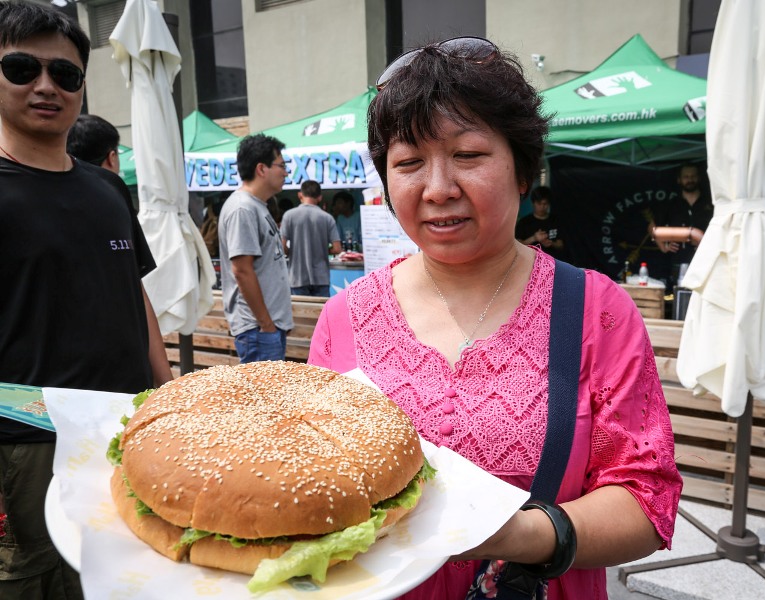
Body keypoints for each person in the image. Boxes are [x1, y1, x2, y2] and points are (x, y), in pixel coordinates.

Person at [308, 37, 681, 599]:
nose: (438, 189)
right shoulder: (345, 317)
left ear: (523, 170)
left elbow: (645, 498)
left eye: (468, 155)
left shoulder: (596, 312)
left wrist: (523, 534)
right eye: (409, 163)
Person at [0, 3, 167, 597]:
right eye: (22, 68)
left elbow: (134, 293)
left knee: (134, 573)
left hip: (127, 429)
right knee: (39, 585)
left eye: (65, 74)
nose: (46, 85)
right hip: (27, 446)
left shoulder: (106, 187)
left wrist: (165, 394)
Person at [67, 113, 173, 384]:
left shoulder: (113, 188)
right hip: (39, 409)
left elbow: (134, 285)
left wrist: (165, 388)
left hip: (130, 389)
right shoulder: (111, 189)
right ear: (113, 157)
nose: (46, 87)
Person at [217, 134, 293, 362]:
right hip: (257, 329)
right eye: (281, 165)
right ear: (262, 169)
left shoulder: (257, 206)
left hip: (267, 327)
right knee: (262, 397)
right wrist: (266, 324)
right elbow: (242, 270)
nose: (286, 172)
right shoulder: (243, 209)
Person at [648, 163, 714, 285]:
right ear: (679, 180)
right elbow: (653, 227)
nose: (690, 180)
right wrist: (663, 246)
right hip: (680, 259)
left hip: (707, 258)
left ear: (699, 178)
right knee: (681, 295)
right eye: (686, 177)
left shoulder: (710, 202)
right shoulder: (672, 203)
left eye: (693, 176)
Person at [280, 180, 342, 297]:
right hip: (321, 278)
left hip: (297, 278)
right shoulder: (327, 218)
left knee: (300, 314)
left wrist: (292, 252)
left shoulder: (289, 216)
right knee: (320, 314)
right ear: (319, 198)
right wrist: (323, 249)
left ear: (300, 195)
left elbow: (281, 247)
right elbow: (337, 249)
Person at [515, 185, 565, 259]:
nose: (542, 207)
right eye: (539, 203)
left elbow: (561, 245)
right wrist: (534, 238)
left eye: (545, 204)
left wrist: (551, 243)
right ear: (533, 203)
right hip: (531, 262)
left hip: (552, 261)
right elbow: (517, 246)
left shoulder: (555, 220)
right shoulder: (524, 222)